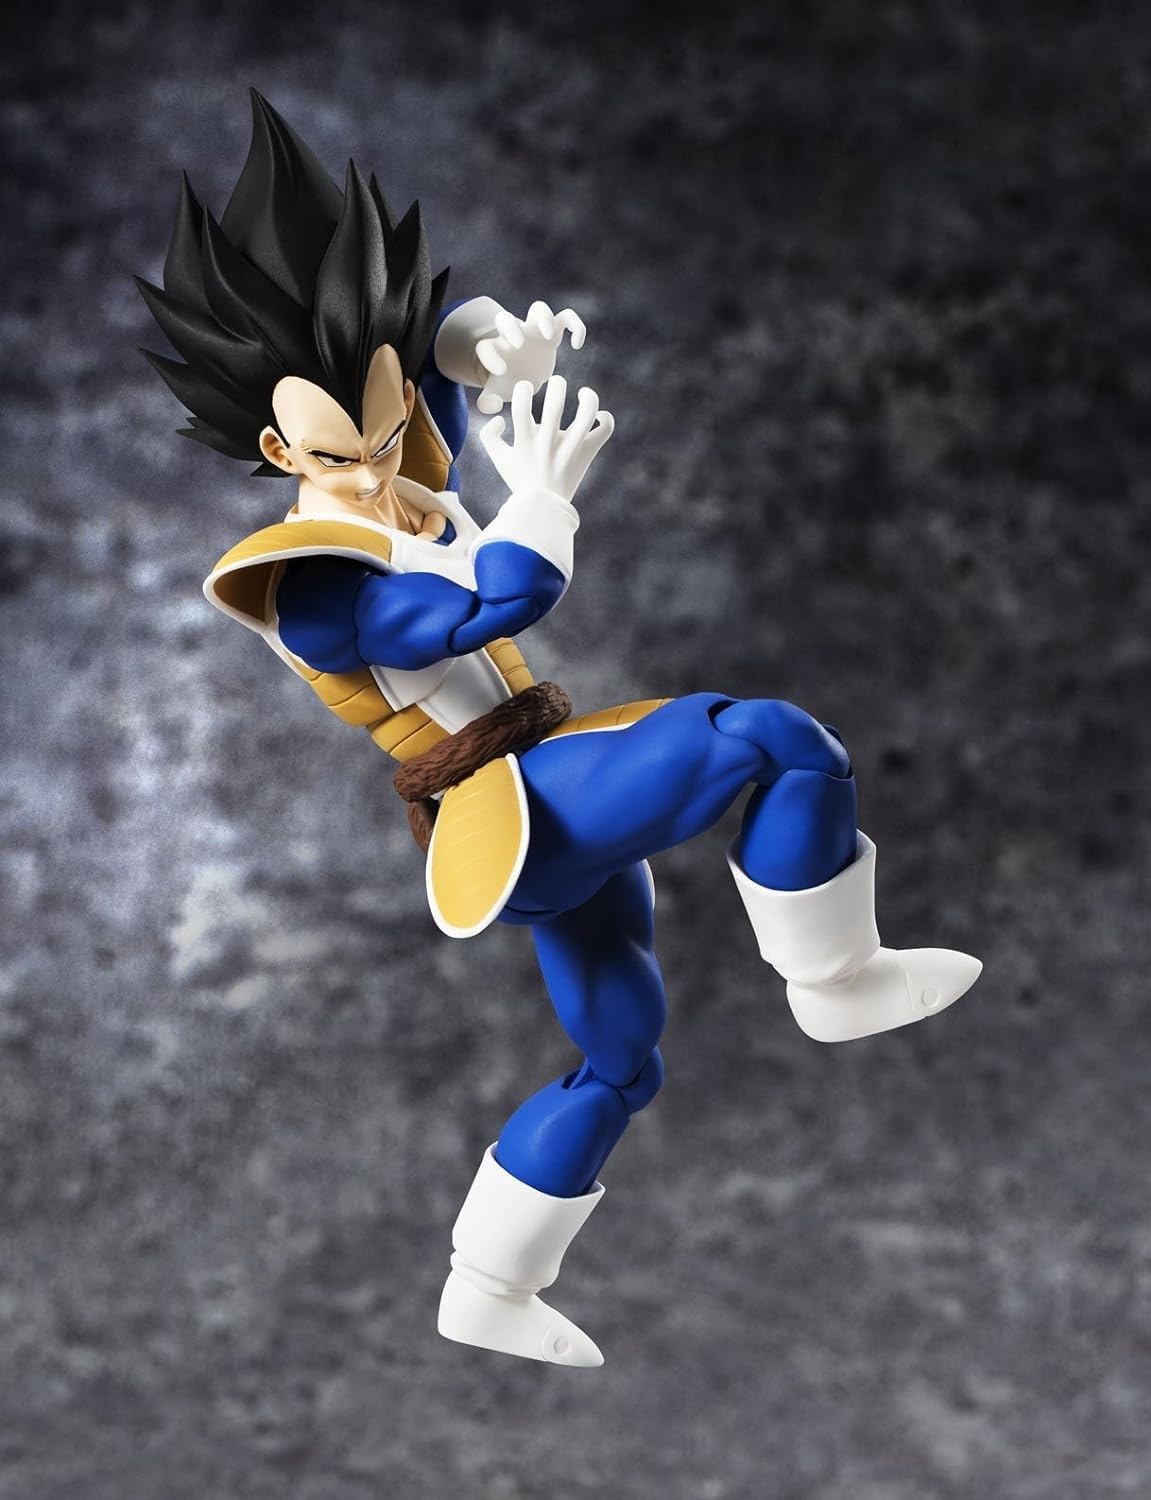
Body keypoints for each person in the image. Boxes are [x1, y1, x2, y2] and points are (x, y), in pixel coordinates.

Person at [140, 90, 982, 1370]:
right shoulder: (307, 574)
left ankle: (488, 1283)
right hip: (515, 802)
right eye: (342, 450)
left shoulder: (397, 467)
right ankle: (833, 981)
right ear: (275, 445)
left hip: (531, 807)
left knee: (619, 1062)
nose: (378, 462)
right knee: (771, 739)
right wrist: (536, 502)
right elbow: (490, 602)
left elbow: (437, 366)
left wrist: (490, 345)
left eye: (385, 428)